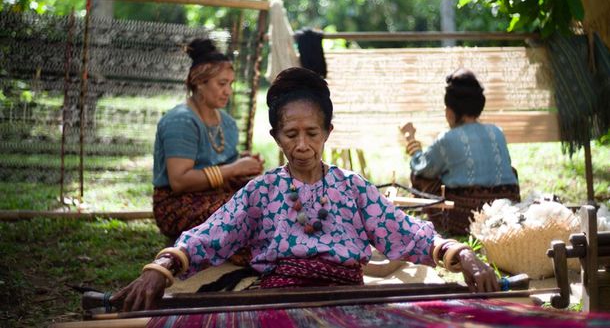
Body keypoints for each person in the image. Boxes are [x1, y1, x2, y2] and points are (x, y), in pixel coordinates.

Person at [113, 67, 499, 312]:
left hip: (350, 300)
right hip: (275, 302)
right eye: (290, 134)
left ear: (328, 132)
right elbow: (212, 235)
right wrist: (161, 269)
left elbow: (406, 232)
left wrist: (464, 256)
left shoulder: (353, 189)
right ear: (275, 136)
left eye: (312, 133)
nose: (301, 145)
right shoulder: (260, 192)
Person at [152, 38, 264, 261]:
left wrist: (245, 164)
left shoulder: (227, 122)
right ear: (199, 83)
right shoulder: (181, 121)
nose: (228, 91)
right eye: (221, 84)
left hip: (216, 192)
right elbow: (179, 181)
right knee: (240, 213)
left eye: (230, 84)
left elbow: (219, 161)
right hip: (176, 203)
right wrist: (233, 169)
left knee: (268, 195)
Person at [404, 68, 520, 235]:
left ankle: (445, 224)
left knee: (421, 177)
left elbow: (421, 166)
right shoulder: (497, 132)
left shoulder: (447, 138)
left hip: (464, 217)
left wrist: (411, 141)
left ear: (450, 111)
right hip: (505, 211)